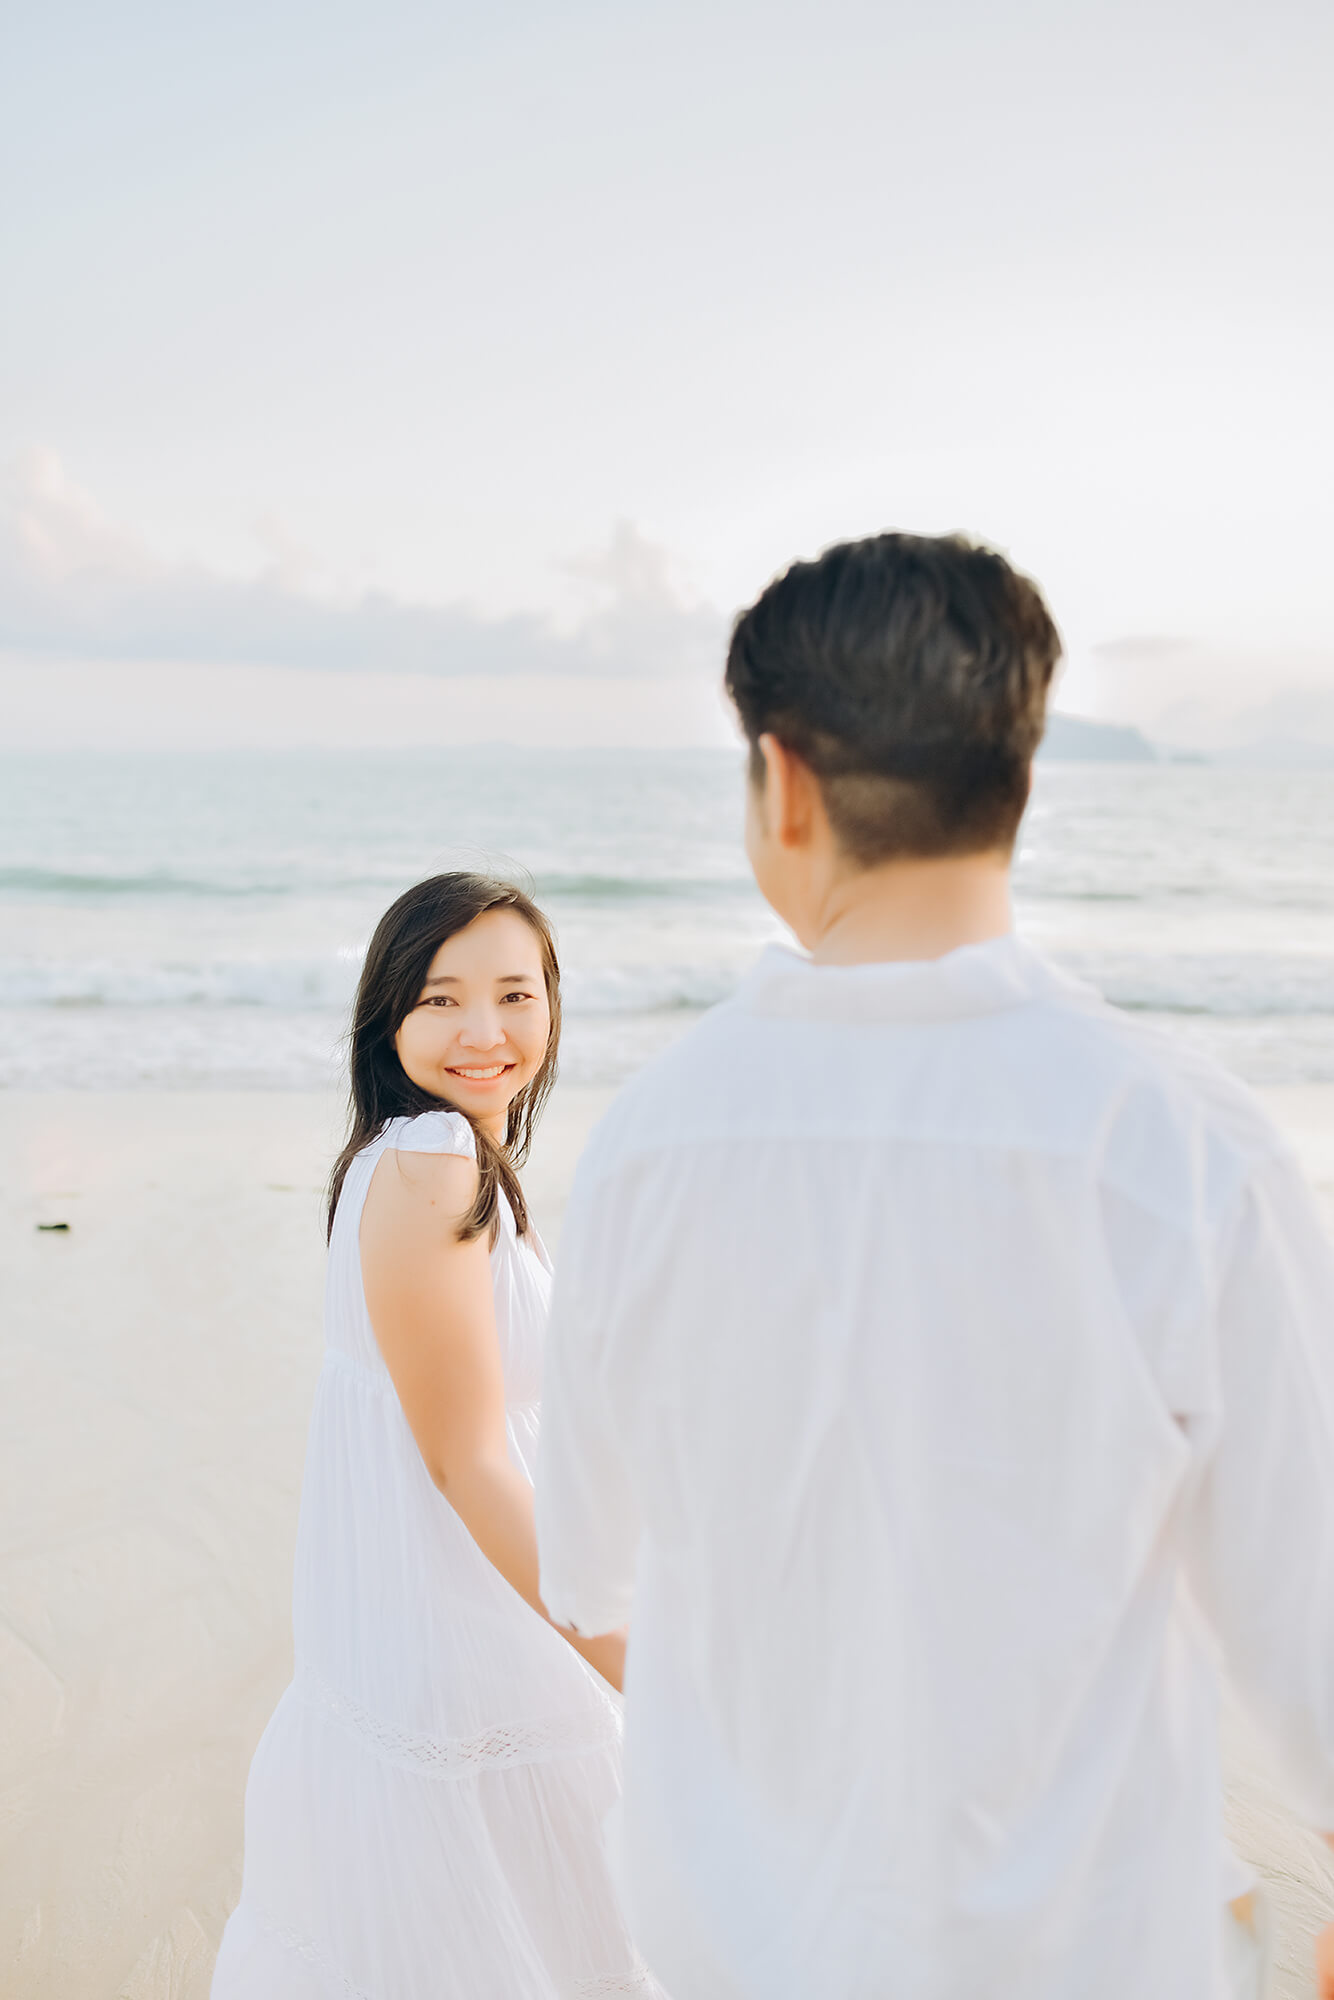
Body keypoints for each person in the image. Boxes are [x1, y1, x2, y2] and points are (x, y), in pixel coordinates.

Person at [535, 534, 1334, 2000]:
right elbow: (1304, 1612)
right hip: (1092, 1951)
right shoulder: (1177, 1144)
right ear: (1018, 779)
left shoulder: (649, 1147)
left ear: (782, 783)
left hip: (743, 1945)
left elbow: (584, 1569)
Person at [213, 873, 664, 1999]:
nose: (483, 1030)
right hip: (473, 1664)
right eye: (440, 998)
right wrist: (640, 1664)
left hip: (445, 1642)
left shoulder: (430, 1158)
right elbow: (465, 1460)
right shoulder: (430, 1160)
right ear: (388, 1019)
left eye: (516, 993)